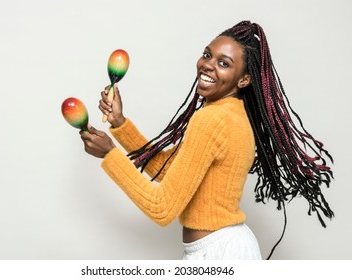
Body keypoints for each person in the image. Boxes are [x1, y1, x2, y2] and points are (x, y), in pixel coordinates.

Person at [79, 21, 334, 260]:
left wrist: (110, 154)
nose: (208, 65)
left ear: (244, 79)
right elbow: (171, 172)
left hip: (219, 253)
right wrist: (120, 124)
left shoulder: (211, 119)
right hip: (228, 248)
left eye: (224, 64)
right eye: (207, 54)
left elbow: (162, 208)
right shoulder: (230, 114)